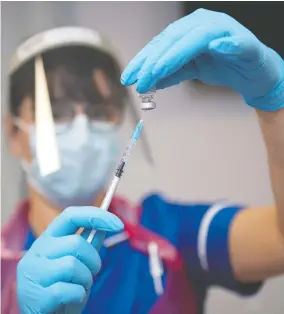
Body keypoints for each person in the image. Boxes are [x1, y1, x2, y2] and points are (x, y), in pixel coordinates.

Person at [2, 8, 284, 314]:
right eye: (56, 113)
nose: (82, 132)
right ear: (14, 132)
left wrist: (275, 104)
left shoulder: (168, 232)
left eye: (98, 111)